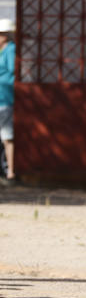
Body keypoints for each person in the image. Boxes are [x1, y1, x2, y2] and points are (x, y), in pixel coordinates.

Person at [0, 20, 15, 185]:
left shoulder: (10, 50)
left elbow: (13, 73)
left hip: (4, 98)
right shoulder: (2, 50)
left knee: (7, 137)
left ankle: (10, 171)